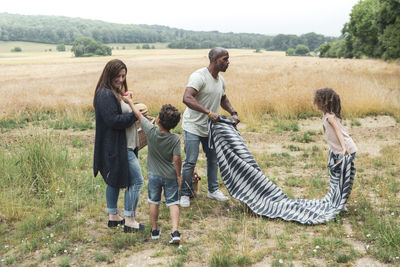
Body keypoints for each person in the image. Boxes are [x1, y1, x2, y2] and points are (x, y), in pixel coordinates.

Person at [180, 47, 240, 208]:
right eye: (225, 59)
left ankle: (213, 190)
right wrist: (208, 112)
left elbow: (223, 98)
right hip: (193, 126)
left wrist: (233, 112)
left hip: (210, 128)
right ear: (214, 60)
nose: (228, 62)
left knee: (213, 159)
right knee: (190, 161)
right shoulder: (199, 77)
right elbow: (186, 98)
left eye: (228, 59)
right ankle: (184, 193)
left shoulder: (220, 80)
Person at [122, 97, 183, 245]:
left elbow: (138, 115)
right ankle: (174, 231)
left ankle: (155, 230)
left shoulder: (151, 131)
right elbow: (176, 159)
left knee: (154, 202)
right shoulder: (175, 139)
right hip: (170, 176)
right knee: (173, 203)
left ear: (158, 120)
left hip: (154, 176)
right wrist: (179, 175)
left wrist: (130, 102)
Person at [93, 59, 144, 233]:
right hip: (119, 147)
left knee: (114, 181)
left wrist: (129, 102)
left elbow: (116, 113)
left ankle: (113, 216)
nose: (121, 79)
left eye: (123, 76)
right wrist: (135, 116)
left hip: (121, 145)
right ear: (109, 74)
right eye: (118, 75)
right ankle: (129, 220)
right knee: (137, 181)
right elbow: (113, 120)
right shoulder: (105, 94)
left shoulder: (112, 92)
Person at [314, 88, 357, 210]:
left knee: (343, 177)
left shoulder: (329, 117)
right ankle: (339, 200)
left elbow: (338, 131)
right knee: (339, 177)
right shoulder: (326, 116)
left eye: (318, 101)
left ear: (324, 102)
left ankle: (341, 202)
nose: (316, 103)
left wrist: (343, 148)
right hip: (339, 151)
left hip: (345, 150)